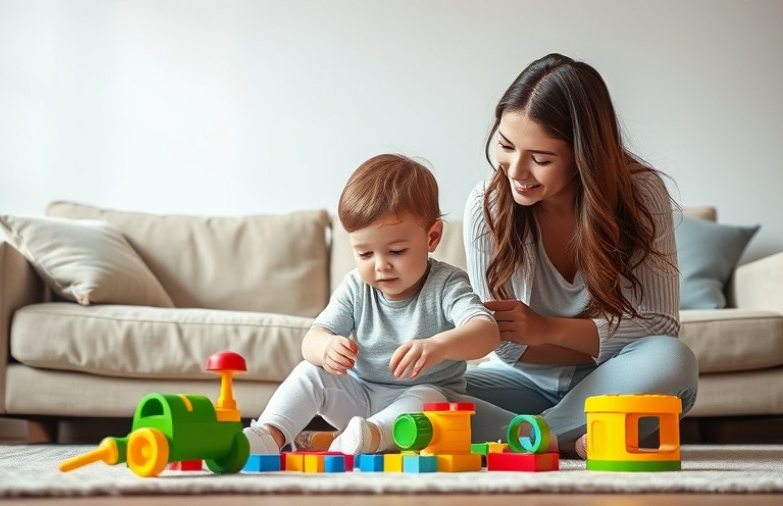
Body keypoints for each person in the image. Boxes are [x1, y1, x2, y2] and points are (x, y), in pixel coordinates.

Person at [463, 53, 699, 457]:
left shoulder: (641, 195)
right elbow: (506, 347)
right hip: (522, 385)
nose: (516, 170)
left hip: (619, 379)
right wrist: (598, 336)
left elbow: (659, 326)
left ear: (583, 156)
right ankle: (580, 436)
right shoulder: (487, 207)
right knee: (421, 392)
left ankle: (534, 438)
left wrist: (545, 330)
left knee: (672, 359)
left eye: (541, 158)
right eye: (505, 145)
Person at [243, 153, 500, 455]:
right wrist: (326, 348)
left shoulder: (447, 284)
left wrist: (439, 346)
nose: (381, 266)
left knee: (430, 398)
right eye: (365, 254)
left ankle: (371, 438)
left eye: (397, 251)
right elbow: (312, 338)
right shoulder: (356, 286)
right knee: (309, 372)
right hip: (359, 398)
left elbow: (487, 332)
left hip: (418, 410)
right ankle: (268, 435)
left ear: (432, 237)